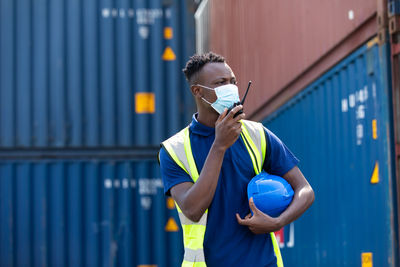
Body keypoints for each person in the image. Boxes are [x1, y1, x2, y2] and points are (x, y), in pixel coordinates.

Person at [159, 52, 314, 267]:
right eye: (221, 83)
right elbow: (193, 210)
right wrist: (219, 145)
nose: (231, 88)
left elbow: (305, 190)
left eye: (233, 81)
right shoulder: (174, 150)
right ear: (198, 91)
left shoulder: (257, 134)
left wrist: (278, 222)